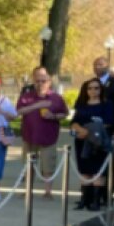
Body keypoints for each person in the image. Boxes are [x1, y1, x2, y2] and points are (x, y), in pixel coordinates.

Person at [16, 67, 69, 200]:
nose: (40, 84)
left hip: (49, 137)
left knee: (48, 165)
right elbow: (19, 111)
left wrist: (54, 116)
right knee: (28, 164)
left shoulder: (56, 98)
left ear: (49, 82)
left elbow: (65, 114)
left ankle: (48, 191)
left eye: (43, 81)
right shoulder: (26, 97)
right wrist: (37, 105)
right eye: (38, 81)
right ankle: (28, 190)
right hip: (29, 136)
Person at [69, 78, 114, 211]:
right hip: (81, 141)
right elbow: (74, 121)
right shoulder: (82, 104)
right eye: (90, 88)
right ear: (85, 90)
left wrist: (88, 131)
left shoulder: (107, 104)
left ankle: (96, 200)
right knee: (85, 170)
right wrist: (78, 129)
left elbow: (109, 122)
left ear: (101, 90)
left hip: (98, 142)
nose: (93, 91)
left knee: (97, 171)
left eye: (96, 88)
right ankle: (84, 199)